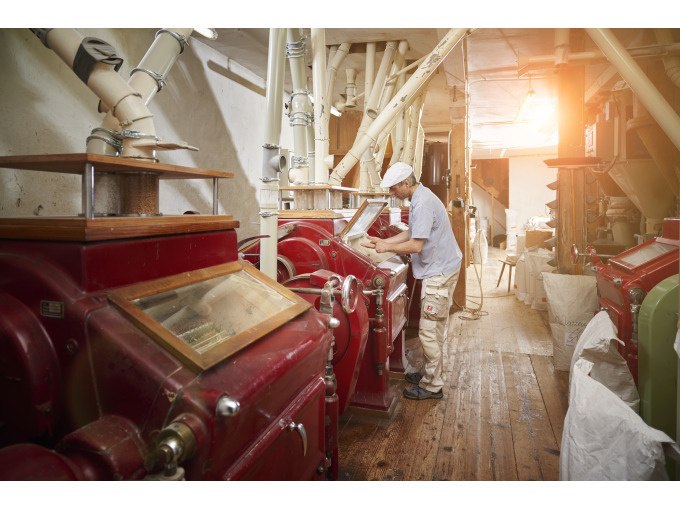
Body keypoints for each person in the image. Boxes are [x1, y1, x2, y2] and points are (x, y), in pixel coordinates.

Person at [361, 162, 462, 400]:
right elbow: (411, 233)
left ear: (406, 183)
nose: (392, 194)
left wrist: (387, 246)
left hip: (439, 271)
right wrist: (382, 242)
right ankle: (430, 373)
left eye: (394, 189)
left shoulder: (423, 203)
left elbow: (416, 245)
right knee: (434, 327)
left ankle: (432, 385)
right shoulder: (420, 198)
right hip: (442, 266)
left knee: (429, 330)